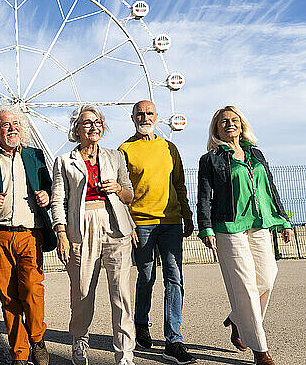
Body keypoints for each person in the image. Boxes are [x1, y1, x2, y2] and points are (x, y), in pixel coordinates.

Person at [197, 105, 293, 365]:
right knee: (246, 288)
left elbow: (270, 187)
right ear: (216, 128)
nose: (230, 124)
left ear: (242, 125)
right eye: (223, 122)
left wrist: (283, 219)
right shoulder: (211, 159)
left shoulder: (256, 154)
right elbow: (204, 197)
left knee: (268, 278)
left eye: (234, 120)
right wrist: (204, 227)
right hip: (229, 228)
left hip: (260, 223)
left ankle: (238, 319)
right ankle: (261, 350)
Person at [51, 105, 137, 365]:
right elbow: (58, 200)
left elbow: (130, 195)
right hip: (81, 226)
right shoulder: (65, 161)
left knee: (121, 294)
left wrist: (118, 188)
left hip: (115, 226)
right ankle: (79, 340)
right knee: (82, 294)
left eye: (97, 122)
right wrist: (61, 234)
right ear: (76, 128)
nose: (93, 127)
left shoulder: (115, 156)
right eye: (87, 123)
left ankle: (125, 354)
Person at [118, 100, 196, 364]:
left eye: (149, 113)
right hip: (141, 222)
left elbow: (179, 183)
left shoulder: (168, 147)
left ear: (157, 116)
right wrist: (127, 224)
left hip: (171, 221)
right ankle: (141, 322)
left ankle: (174, 339)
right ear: (132, 117)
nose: (145, 117)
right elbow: (122, 191)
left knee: (174, 278)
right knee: (147, 275)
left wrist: (187, 213)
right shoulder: (125, 149)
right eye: (140, 113)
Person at [0, 106, 56, 365]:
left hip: (30, 233)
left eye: (15, 123)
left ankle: (37, 339)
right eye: (5, 125)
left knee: (33, 291)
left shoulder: (35, 156)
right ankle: (20, 354)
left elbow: (49, 186)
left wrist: (46, 195)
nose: (11, 128)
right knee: (9, 298)